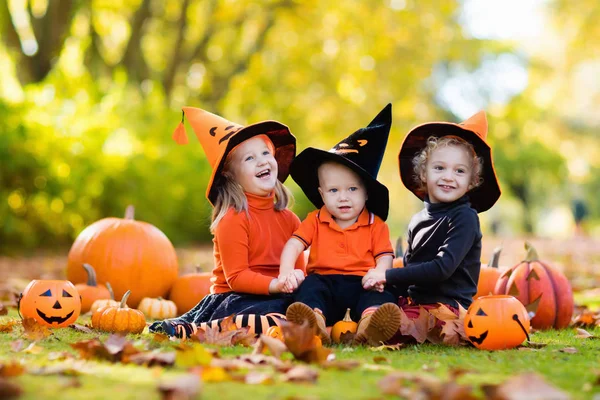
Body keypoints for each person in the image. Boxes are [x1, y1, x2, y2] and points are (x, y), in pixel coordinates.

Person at [150, 106, 305, 338]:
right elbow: (237, 278)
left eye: (265, 153)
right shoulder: (233, 218)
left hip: (278, 295)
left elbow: (300, 269)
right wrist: (276, 285)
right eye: (250, 158)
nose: (262, 161)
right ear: (231, 175)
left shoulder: (290, 220)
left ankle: (283, 323)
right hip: (237, 299)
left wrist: (296, 279)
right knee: (271, 316)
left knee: (305, 305)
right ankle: (201, 329)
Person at [362, 111, 501, 338]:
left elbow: (441, 269)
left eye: (459, 171)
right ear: (423, 173)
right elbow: (409, 268)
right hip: (416, 303)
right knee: (373, 296)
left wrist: (388, 275)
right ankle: (363, 319)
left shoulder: (465, 218)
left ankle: (382, 327)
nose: (448, 177)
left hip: (448, 309)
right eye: (439, 168)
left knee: (409, 321)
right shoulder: (418, 220)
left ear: (471, 181)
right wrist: (381, 285)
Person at [278, 104, 402, 345]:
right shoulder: (315, 219)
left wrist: (378, 273)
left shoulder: (376, 225)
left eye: (352, 189)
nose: (343, 197)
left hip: (362, 282)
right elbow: (294, 245)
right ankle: (314, 322)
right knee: (309, 288)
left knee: (381, 294)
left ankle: (371, 323)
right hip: (325, 282)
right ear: (322, 194)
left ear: (366, 194)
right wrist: (286, 272)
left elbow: (385, 256)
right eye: (334, 190)